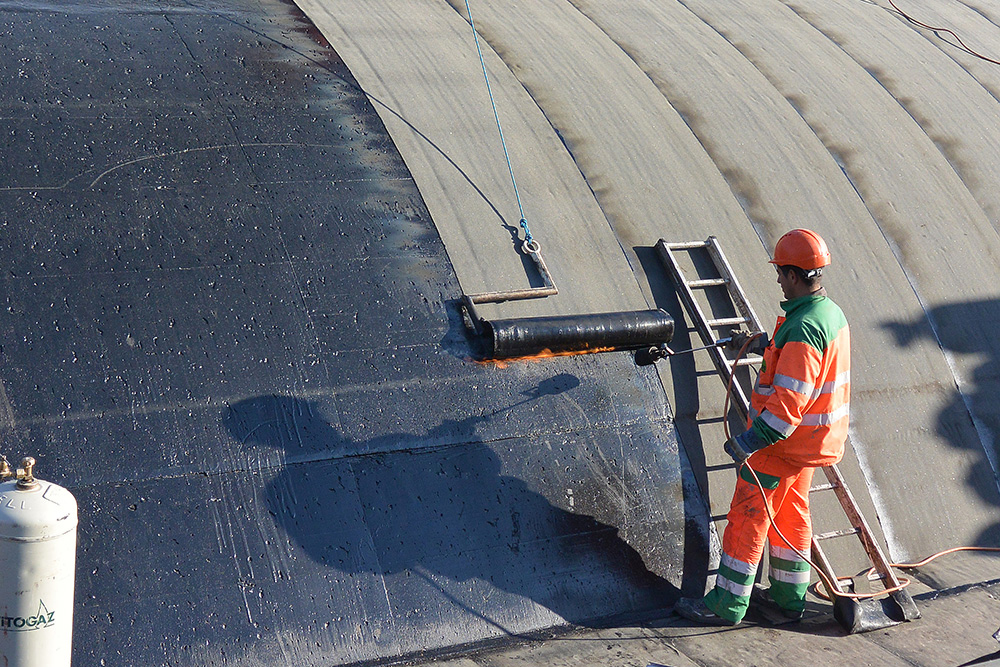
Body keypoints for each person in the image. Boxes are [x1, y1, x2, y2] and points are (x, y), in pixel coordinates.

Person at [674, 228, 851, 626]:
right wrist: (764, 346)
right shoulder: (827, 314)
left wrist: (749, 442)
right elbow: (801, 365)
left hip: (780, 446)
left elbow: (789, 404)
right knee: (790, 517)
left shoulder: (803, 328)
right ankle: (790, 600)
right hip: (808, 445)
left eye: (779, 273)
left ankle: (727, 605)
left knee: (747, 518)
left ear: (792, 274)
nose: (777, 280)